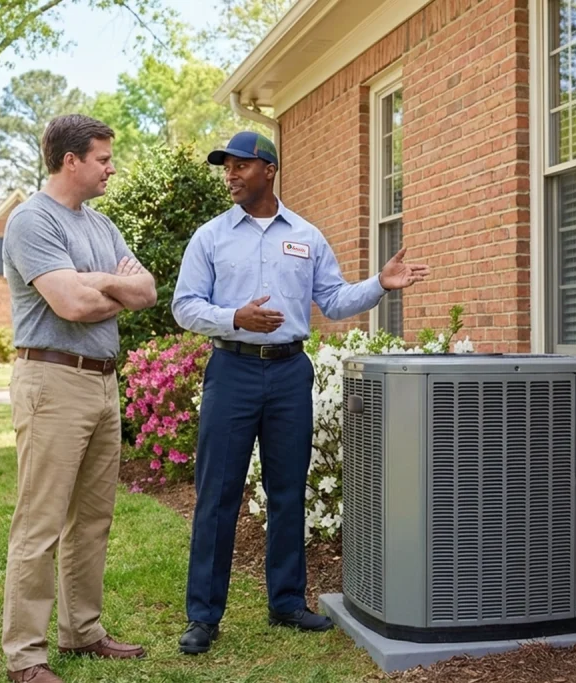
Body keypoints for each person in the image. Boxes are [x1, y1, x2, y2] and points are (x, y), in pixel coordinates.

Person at [171, 130, 430, 655]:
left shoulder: (307, 237)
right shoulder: (211, 237)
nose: (230, 175)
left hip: (289, 374)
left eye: (240, 165)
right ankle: (204, 615)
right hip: (233, 370)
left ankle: (287, 602)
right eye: (226, 167)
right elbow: (184, 305)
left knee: (288, 491)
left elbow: (332, 301)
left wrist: (379, 282)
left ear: (268, 169)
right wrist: (233, 317)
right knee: (218, 495)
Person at [0, 114, 157, 683]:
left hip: (101, 381)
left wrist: (98, 283)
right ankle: (26, 656)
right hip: (52, 382)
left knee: (92, 519)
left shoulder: (102, 225)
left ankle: (83, 631)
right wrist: (108, 284)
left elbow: (147, 289)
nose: (110, 168)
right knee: (40, 523)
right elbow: (71, 306)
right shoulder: (30, 222)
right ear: (71, 161)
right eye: (103, 159)